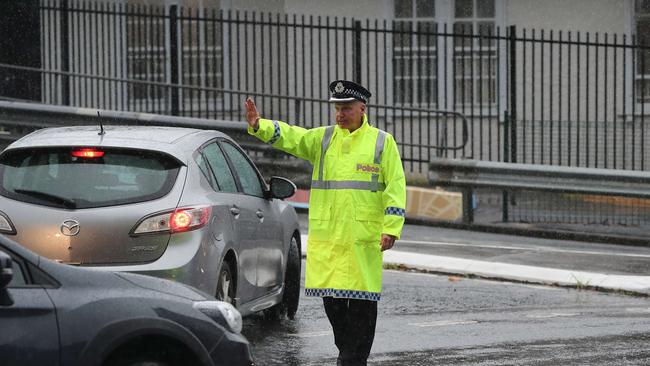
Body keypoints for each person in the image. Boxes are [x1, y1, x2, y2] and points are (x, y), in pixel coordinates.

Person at [244, 80, 406, 366]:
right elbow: (293, 137)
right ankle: (349, 355)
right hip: (330, 237)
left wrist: (391, 227)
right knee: (331, 302)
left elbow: (395, 185)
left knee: (362, 303)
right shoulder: (324, 139)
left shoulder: (382, 142)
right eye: (337, 109)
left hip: (362, 237)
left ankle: (353, 359)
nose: (340, 114)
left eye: (346, 108)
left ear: (362, 109)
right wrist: (260, 126)